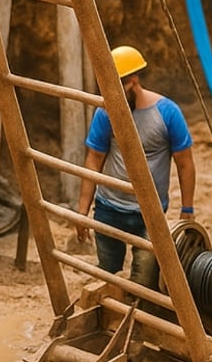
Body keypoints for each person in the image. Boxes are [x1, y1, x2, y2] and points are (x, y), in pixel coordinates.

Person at [75, 45, 196, 283]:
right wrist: (82, 212)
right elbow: (93, 159)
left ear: (132, 81)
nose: (110, 94)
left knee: (144, 283)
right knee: (107, 278)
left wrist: (187, 209)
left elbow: (185, 163)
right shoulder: (105, 113)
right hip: (108, 209)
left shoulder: (168, 113)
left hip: (149, 213)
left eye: (116, 86)